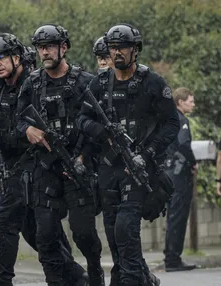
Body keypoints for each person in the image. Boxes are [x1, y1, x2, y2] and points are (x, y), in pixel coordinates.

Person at [76, 23, 180, 286]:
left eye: (123, 47)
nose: (117, 53)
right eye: (113, 48)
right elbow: (82, 120)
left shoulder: (153, 83)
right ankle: (143, 279)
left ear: (135, 50)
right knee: (113, 235)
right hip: (109, 169)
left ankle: (133, 280)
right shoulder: (99, 83)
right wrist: (103, 133)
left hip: (138, 167)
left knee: (125, 229)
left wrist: (147, 154)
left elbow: (171, 124)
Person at [0, 33, 87, 286]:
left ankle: (76, 277)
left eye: (1, 58)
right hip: (12, 173)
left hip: (39, 169)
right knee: (3, 230)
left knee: (46, 236)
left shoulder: (34, 84)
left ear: (16, 57)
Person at [16, 24, 103, 286]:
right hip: (46, 170)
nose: (44, 52)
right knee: (46, 236)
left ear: (63, 48)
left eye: (49, 47)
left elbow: (100, 126)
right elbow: (18, 120)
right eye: (40, 48)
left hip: (78, 168)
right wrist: (28, 129)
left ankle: (95, 272)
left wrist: (83, 158)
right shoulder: (31, 83)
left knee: (83, 233)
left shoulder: (85, 82)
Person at [163, 87, 198, 272]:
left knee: (172, 216)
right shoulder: (181, 120)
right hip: (179, 175)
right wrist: (193, 163)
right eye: (190, 101)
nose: (193, 104)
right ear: (180, 102)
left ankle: (170, 255)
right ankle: (173, 260)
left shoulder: (169, 119)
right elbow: (184, 145)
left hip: (168, 173)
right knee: (178, 217)